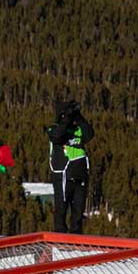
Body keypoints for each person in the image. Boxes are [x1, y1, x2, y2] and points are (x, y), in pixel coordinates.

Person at [45, 100, 93, 235]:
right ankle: (60, 235)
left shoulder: (78, 130)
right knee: (61, 207)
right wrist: (66, 117)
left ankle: (76, 236)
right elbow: (57, 136)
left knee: (78, 208)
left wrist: (78, 116)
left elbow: (89, 134)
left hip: (80, 172)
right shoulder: (53, 128)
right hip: (62, 173)